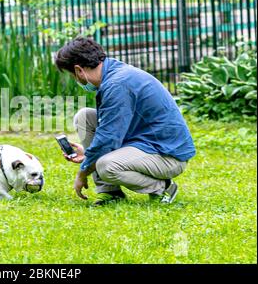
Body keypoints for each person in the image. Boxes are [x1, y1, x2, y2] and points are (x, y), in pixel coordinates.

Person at [54, 37, 196, 206]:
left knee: (107, 166)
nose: (75, 79)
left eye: (72, 75)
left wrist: (83, 172)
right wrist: (88, 152)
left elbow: (109, 138)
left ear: (78, 70)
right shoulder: (113, 72)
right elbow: (110, 130)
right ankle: (110, 192)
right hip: (144, 143)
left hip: (167, 155)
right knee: (84, 117)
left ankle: (162, 187)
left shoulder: (117, 84)